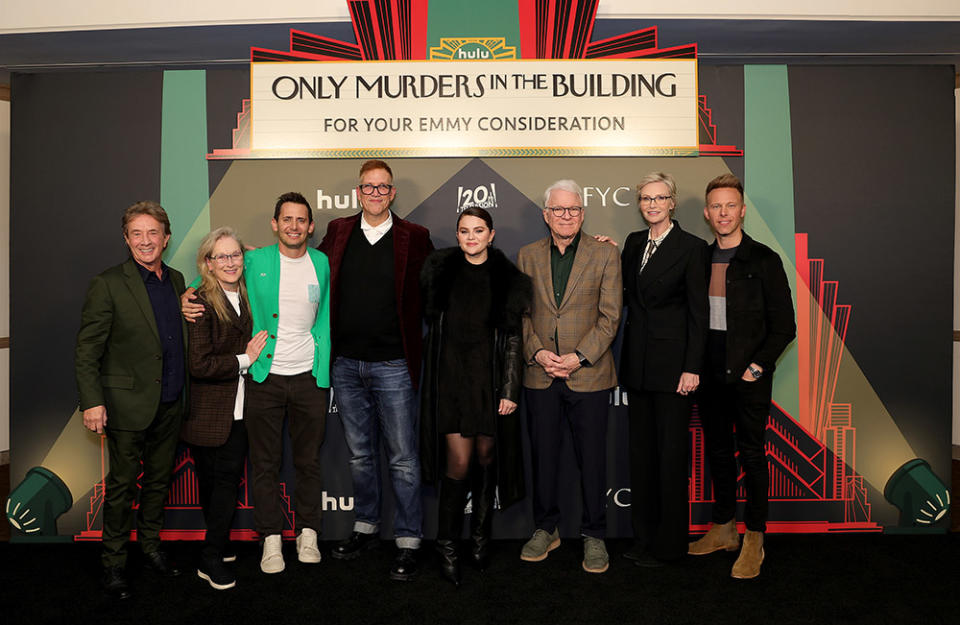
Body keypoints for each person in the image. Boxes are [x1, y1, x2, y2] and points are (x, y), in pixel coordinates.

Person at [182, 192, 331, 574]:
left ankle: (309, 532)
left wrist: (323, 369)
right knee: (264, 464)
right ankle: (270, 539)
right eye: (287, 219)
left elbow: (325, 317)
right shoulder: (254, 259)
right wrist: (189, 294)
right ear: (274, 224)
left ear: (310, 227)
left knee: (308, 462)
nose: (294, 226)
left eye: (301, 220)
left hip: (310, 378)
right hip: (263, 377)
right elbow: (217, 271)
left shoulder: (321, 262)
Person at [318, 160, 433, 581]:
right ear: (358, 191)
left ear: (393, 192)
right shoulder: (338, 230)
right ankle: (365, 527)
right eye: (369, 187)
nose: (376, 193)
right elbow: (304, 272)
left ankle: (408, 540)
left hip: (395, 364)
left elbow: (436, 288)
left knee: (403, 459)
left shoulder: (415, 237)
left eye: (383, 187)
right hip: (346, 364)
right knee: (361, 456)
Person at [75, 201, 187, 600]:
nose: (145, 241)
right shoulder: (107, 283)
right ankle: (114, 565)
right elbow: (88, 349)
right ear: (126, 239)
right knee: (122, 489)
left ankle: (152, 548)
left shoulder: (176, 280)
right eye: (136, 234)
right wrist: (92, 402)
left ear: (166, 237)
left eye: (152, 232)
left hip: (171, 401)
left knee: (158, 483)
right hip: (125, 407)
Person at [688, 173, 796, 579]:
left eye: (730, 205)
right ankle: (722, 528)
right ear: (706, 213)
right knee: (717, 451)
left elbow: (785, 326)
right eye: (716, 206)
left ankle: (755, 536)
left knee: (751, 454)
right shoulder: (698, 258)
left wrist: (757, 365)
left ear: (742, 211)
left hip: (749, 375)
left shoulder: (763, 260)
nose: (723, 213)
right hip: (709, 372)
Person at [419, 207, 532, 586]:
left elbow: (514, 338)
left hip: (489, 382)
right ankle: (447, 545)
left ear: (491, 234)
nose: (471, 237)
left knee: (486, 458)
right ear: (458, 234)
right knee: (459, 464)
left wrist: (510, 388)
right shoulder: (440, 273)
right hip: (450, 382)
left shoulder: (507, 279)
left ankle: (481, 538)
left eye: (478, 230)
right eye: (464, 230)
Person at [516, 179, 622, 574]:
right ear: (546, 215)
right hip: (540, 374)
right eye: (558, 210)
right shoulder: (526, 256)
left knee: (592, 459)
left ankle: (594, 534)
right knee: (544, 458)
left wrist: (578, 357)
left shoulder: (605, 254)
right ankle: (546, 529)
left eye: (573, 209)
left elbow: (611, 317)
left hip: (589, 375)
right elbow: (521, 315)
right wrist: (540, 353)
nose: (566, 216)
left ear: (582, 213)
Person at [619, 172, 708, 567]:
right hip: (637, 368)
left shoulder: (692, 247)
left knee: (670, 461)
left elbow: (699, 314)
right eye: (645, 198)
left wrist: (692, 367)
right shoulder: (633, 243)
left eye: (659, 198)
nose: (652, 204)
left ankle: (670, 546)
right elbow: (624, 291)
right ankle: (643, 538)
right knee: (642, 459)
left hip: (674, 371)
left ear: (672, 202)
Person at [181, 228, 268, 590]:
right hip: (210, 413)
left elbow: (274, 258)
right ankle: (210, 558)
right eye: (222, 257)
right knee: (216, 485)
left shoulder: (250, 294)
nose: (231, 263)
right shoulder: (199, 301)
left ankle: (217, 546)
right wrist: (245, 359)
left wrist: (249, 250)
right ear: (208, 264)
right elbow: (199, 364)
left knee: (225, 484)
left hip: (244, 410)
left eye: (236, 256)